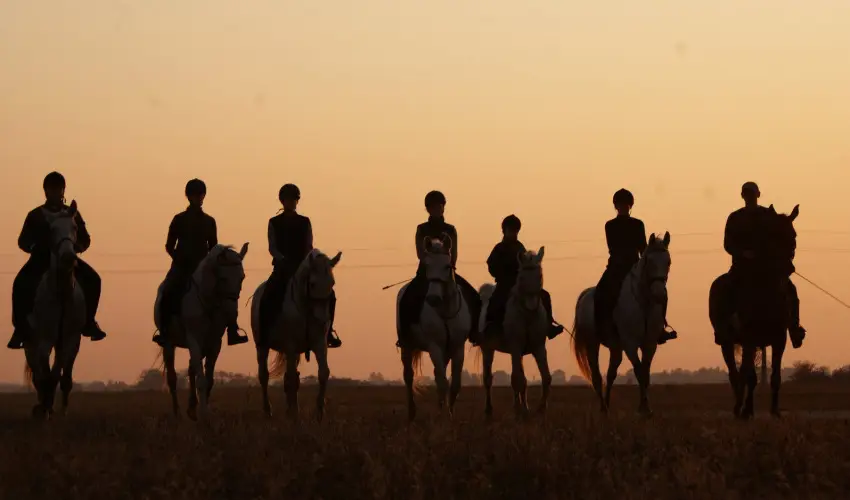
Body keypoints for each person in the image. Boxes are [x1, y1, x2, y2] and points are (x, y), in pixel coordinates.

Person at [7, 172, 107, 349]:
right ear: (45, 191)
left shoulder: (73, 214)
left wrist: (75, 248)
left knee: (94, 279)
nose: (55, 192)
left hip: (67, 258)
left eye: (58, 189)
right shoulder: (35, 215)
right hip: (40, 259)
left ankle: (90, 321)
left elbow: (85, 238)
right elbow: (23, 240)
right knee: (20, 283)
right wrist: (33, 248)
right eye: (51, 189)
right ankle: (20, 329)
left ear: (63, 190)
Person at [154, 179, 248, 347]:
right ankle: (164, 331)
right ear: (188, 197)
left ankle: (232, 330)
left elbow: (213, 248)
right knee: (167, 292)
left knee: (227, 295)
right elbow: (169, 246)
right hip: (181, 268)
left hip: (203, 269)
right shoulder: (179, 219)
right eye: (194, 195)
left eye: (200, 195)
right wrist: (179, 260)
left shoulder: (209, 222)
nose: (198, 198)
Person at [257, 184, 342, 349]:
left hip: (302, 266)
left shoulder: (304, 222)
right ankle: (264, 332)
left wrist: (308, 262)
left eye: (294, 200)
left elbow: (309, 245)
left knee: (329, 294)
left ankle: (328, 331)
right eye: (288, 200)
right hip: (282, 267)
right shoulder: (274, 222)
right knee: (268, 294)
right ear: (282, 201)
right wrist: (282, 259)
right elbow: (272, 247)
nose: (292, 203)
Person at [723, 181, 806, 348]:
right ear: (742, 196)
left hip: (766, 267)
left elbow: (781, 233)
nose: (749, 197)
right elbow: (727, 244)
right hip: (742, 266)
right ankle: (725, 329)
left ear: (758, 194)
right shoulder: (735, 217)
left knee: (790, 290)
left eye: (752, 193)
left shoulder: (767, 215)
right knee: (724, 290)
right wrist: (743, 253)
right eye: (747, 193)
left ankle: (794, 330)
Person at [397, 190, 481, 346]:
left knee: (475, 297)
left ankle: (475, 333)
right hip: (426, 273)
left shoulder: (451, 229)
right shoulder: (421, 229)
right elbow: (420, 253)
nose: (437, 209)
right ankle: (405, 336)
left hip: (446, 272)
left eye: (439, 206)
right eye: (433, 207)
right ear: (428, 209)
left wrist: (450, 266)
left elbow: (454, 251)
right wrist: (431, 265)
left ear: (443, 208)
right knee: (406, 299)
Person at [594, 188, 677, 344]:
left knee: (660, 292)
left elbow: (642, 247)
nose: (623, 207)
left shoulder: (638, 224)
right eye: (620, 204)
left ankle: (660, 328)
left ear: (630, 206)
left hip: (634, 265)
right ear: (616, 206)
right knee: (600, 291)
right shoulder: (610, 225)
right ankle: (602, 327)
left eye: (626, 204)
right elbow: (612, 247)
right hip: (616, 267)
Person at [481, 214, 564, 342]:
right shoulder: (499, 248)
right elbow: (491, 265)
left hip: (521, 283)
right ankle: (488, 328)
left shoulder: (520, 247)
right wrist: (502, 273)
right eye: (510, 230)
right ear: (504, 231)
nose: (513, 234)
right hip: (505, 283)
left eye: (515, 231)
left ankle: (548, 325)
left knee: (545, 296)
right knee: (496, 300)